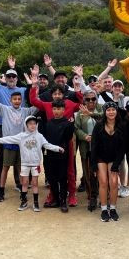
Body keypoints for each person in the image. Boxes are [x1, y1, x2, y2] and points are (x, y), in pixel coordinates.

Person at [29, 75, 83, 207]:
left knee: (69, 169)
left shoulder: (69, 104)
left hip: (67, 141)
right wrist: (34, 86)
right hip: (51, 141)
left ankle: (71, 195)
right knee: (51, 169)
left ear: (64, 95)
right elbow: (33, 100)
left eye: (60, 93)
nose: (57, 95)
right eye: (55, 93)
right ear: (52, 95)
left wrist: (77, 91)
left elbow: (82, 105)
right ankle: (53, 194)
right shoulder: (47, 105)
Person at [0, 115, 64, 211]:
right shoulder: (21, 136)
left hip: (35, 164)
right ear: (26, 125)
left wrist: (58, 148)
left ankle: (36, 203)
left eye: (34, 123)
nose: (32, 126)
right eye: (30, 124)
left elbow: (47, 145)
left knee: (34, 183)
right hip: (25, 164)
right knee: (25, 182)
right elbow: (9, 139)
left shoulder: (39, 136)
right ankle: (24, 202)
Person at [0, 79, 39, 202]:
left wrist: (35, 88)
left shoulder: (26, 111)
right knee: (5, 167)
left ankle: (23, 193)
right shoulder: (5, 109)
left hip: (22, 145)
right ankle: (1, 191)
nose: (17, 101)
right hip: (9, 144)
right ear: (10, 100)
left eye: (19, 99)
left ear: (22, 100)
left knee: (21, 170)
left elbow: (38, 105)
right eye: (15, 99)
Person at [91, 101, 126, 222]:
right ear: (105, 112)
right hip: (101, 157)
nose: (111, 112)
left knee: (114, 182)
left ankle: (113, 208)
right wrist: (93, 164)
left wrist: (116, 165)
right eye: (108, 110)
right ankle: (104, 209)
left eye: (113, 109)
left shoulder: (121, 126)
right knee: (103, 182)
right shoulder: (99, 125)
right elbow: (94, 146)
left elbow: (122, 148)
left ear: (116, 111)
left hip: (114, 158)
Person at [42, 99, 76, 212]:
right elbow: (44, 140)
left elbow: (68, 138)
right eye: (55, 109)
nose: (57, 111)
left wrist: (71, 125)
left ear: (63, 110)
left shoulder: (68, 123)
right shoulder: (48, 123)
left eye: (59, 109)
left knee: (62, 178)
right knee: (52, 178)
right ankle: (55, 200)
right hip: (49, 156)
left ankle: (63, 201)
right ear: (52, 110)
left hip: (62, 155)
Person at [74, 90, 103, 211]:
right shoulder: (80, 113)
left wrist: (91, 114)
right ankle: (92, 196)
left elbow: (105, 120)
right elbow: (76, 128)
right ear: (84, 100)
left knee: (102, 172)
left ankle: (103, 196)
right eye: (88, 99)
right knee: (88, 172)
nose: (91, 101)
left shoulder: (101, 109)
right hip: (86, 147)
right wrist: (85, 136)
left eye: (93, 99)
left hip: (101, 147)